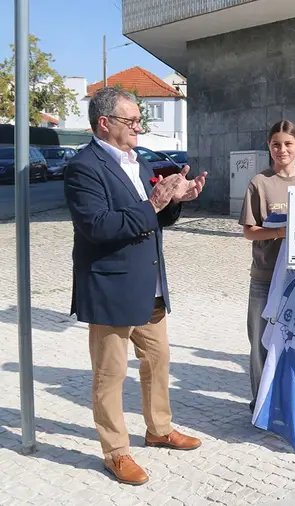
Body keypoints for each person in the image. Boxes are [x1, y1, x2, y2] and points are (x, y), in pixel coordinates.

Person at [63, 86, 207, 485]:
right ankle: (115, 452)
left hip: (150, 283)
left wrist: (178, 200)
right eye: (132, 121)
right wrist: (155, 204)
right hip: (110, 287)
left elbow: (152, 218)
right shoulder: (84, 167)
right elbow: (97, 227)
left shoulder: (137, 160)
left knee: (158, 359)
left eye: (140, 121)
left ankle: (159, 428)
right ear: (105, 123)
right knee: (109, 374)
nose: (139, 127)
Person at [239, 120, 295, 428]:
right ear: (269, 147)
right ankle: (261, 400)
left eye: (288, 143)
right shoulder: (259, 183)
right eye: (276, 144)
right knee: (261, 343)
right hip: (265, 278)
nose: (282, 149)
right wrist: (282, 232)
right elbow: (250, 232)